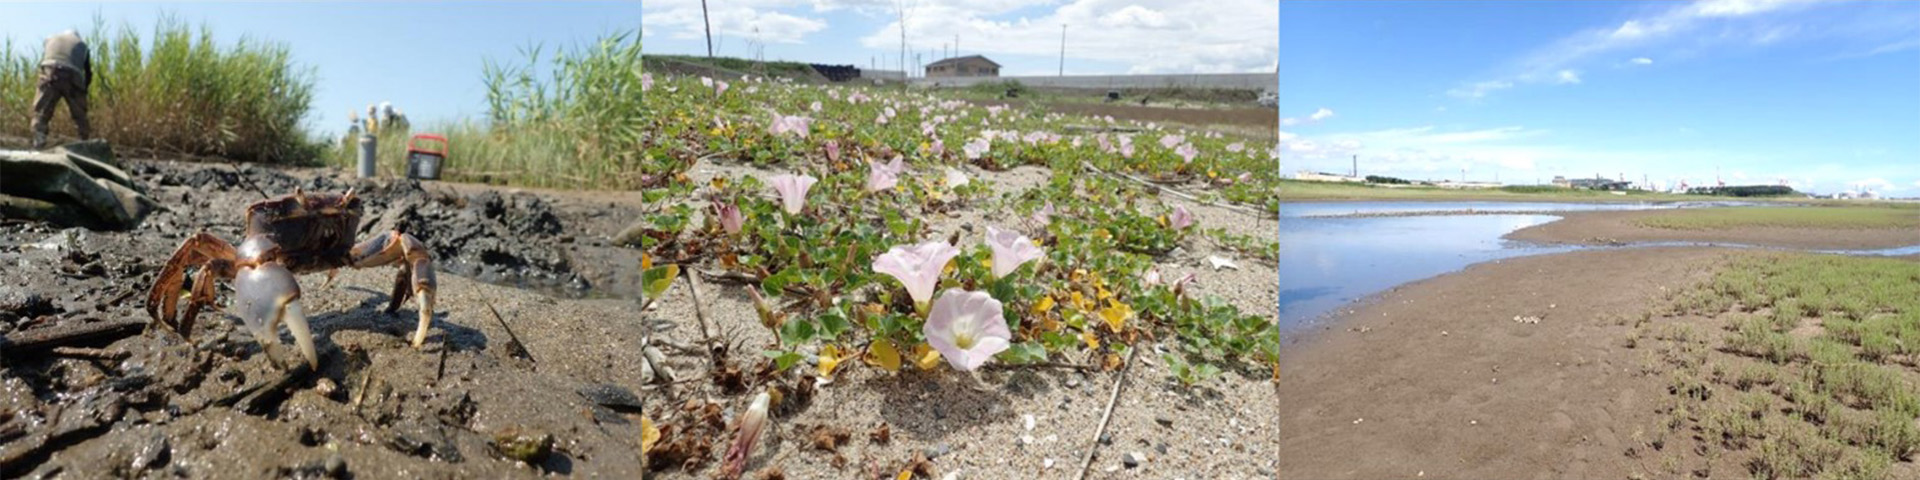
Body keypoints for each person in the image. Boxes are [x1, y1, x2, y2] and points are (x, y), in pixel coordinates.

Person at [30, 29, 92, 150]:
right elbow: (88, 72)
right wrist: (84, 91)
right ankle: (84, 142)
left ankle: (39, 141)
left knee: (41, 111)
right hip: (73, 75)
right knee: (80, 115)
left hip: (49, 72)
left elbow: (46, 57)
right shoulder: (82, 45)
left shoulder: (50, 38)